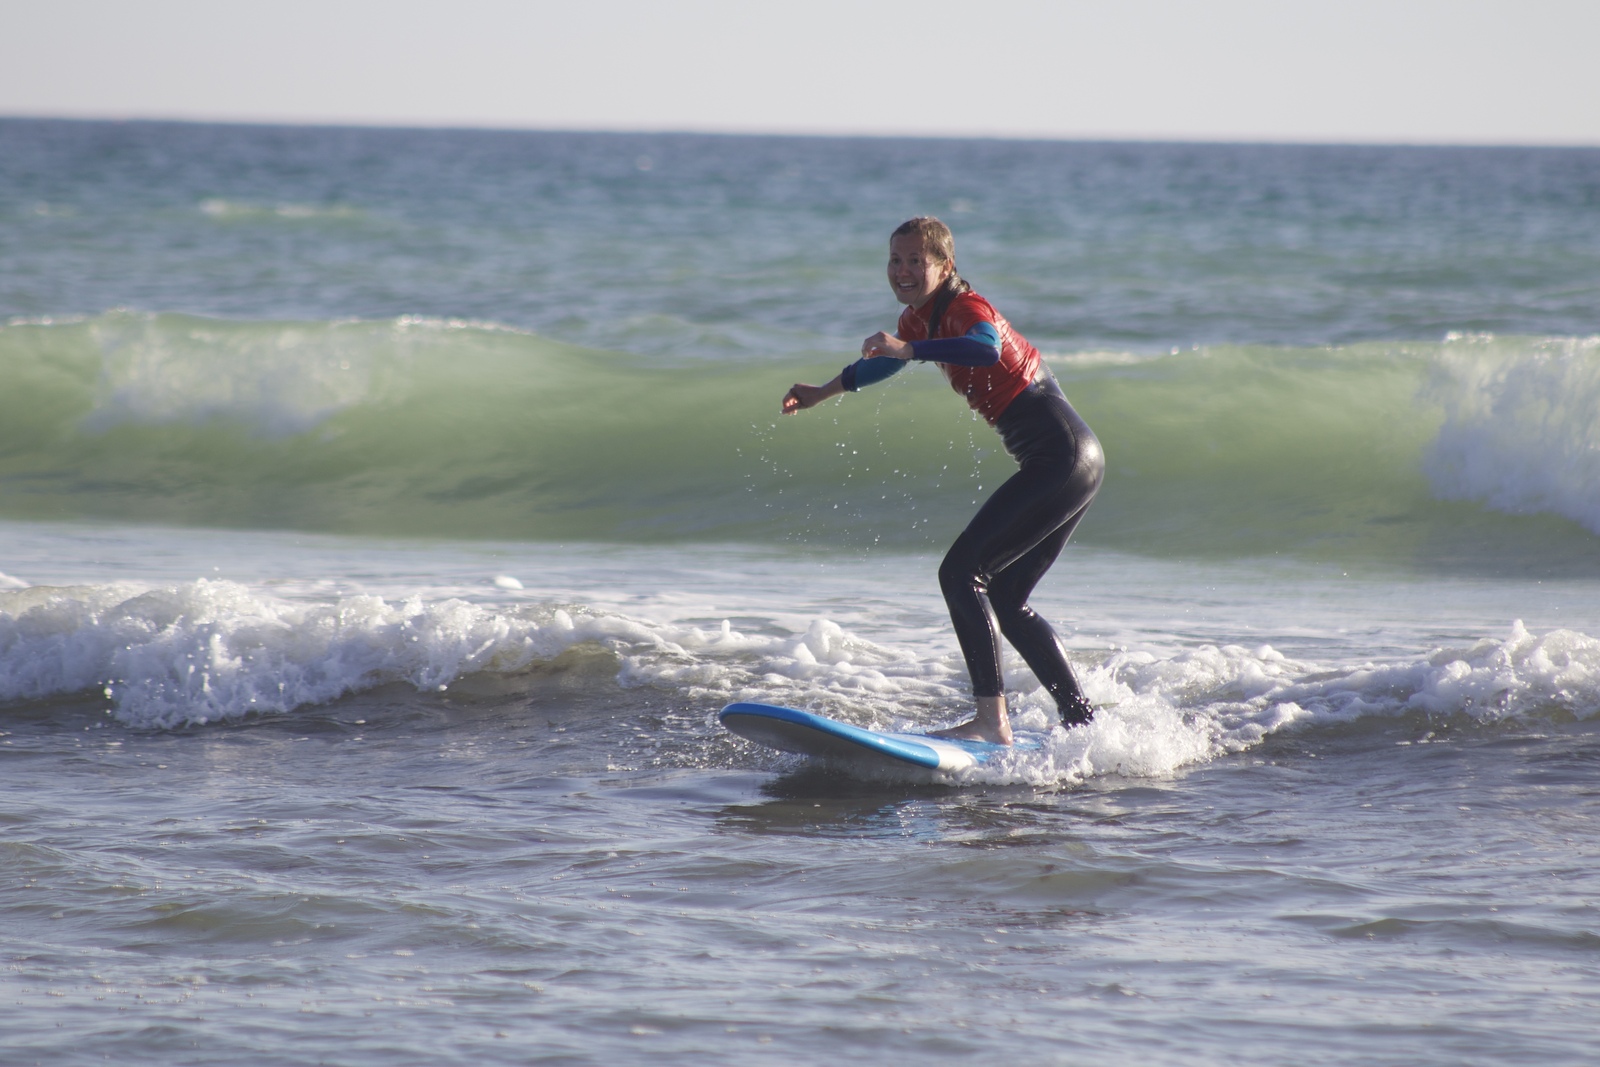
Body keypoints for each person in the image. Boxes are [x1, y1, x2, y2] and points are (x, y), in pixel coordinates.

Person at [782, 217, 1104, 745]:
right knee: (1006, 596)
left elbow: (985, 349)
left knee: (961, 574)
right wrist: (823, 391)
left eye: (916, 261)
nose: (902, 271)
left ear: (945, 266)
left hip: (1061, 455)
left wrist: (908, 351)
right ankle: (1085, 725)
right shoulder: (917, 320)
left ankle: (990, 722)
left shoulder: (965, 309)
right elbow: (880, 366)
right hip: (1068, 460)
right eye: (895, 260)